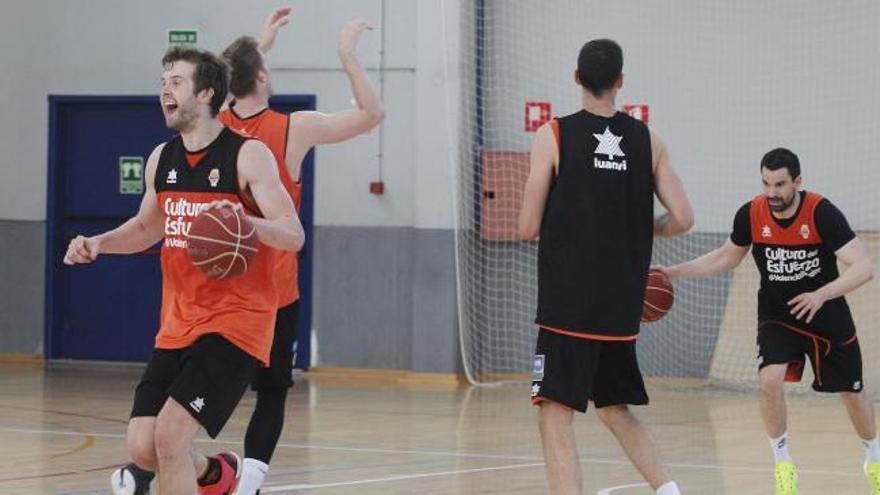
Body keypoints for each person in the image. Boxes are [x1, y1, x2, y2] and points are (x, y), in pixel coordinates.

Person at [66, 46, 303, 495]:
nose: (164, 90)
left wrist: (240, 224)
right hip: (178, 324)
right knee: (143, 445)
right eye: (162, 82)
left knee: (171, 435)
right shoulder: (162, 159)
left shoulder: (248, 156)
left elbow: (293, 234)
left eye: (176, 81)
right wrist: (99, 243)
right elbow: (145, 227)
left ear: (207, 93)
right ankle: (217, 475)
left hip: (237, 324)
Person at [216, 8, 382, 494]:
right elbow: (372, 115)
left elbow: (226, 79)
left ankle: (148, 468)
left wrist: (259, 44)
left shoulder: (213, 125)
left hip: (218, 288)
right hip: (272, 290)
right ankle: (247, 482)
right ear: (263, 77)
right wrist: (347, 54)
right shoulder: (294, 129)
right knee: (271, 392)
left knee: (194, 387)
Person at [518, 38, 693, 495]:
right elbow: (684, 218)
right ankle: (669, 490)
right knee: (615, 407)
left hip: (566, 308)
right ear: (620, 82)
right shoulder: (649, 141)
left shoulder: (553, 135)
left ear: (576, 78)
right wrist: (641, 228)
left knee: (553, 411)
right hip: (620, 308)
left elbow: (525, 225)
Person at [657, 147, 878, 495]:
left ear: (798, 181)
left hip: (826, 316)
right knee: (769, 380)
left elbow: (864, 267)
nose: (772, 192)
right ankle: (783, 463)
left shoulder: (821, 212)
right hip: (778, 316)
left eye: (780, 184)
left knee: (852, 395)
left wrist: (821, 294)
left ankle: (873, 457)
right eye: (766, 183)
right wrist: (673, 272)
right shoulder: (752, 214)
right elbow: (725, 257)